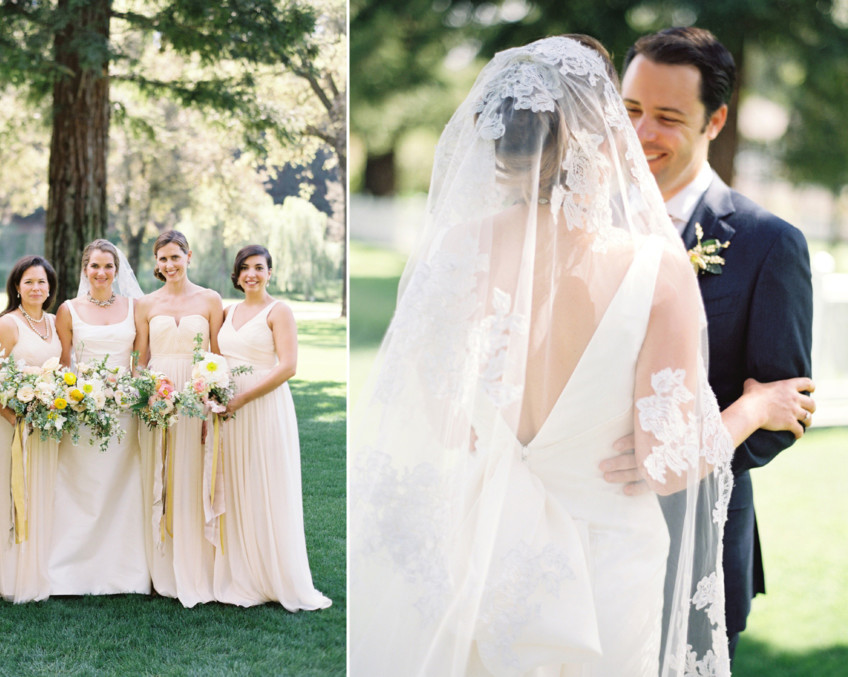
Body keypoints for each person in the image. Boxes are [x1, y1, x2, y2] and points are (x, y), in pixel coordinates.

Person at [350, 34, 753, 675]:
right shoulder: (654, 266)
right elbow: (667, 464)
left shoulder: (458, 246)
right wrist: (755, 409)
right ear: (600, 129)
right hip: (608, 554)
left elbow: (434, 417)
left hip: (486, 544)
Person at [615, 26, 814, 658]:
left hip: (698, 542)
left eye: (668, 118)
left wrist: (671, 458)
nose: (643, 134)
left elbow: (784, 410)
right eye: (630, 111)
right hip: (580, 527)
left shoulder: (767, 244)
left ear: (716, 119)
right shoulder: (583, 223)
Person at [213, 244, 331, 612]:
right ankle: (242, 570)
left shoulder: (279, 311)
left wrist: (243, 399)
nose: (252, 274)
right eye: (245, 268)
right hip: (229, 407)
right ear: (237, 274)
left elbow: (288, 366)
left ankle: (275, 574)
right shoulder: (227, 312)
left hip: (262, 406)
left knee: (266, 483)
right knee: (236, 485)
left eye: (259, 267)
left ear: (269, 272)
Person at [48, 239, 150, 595]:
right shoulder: (68, 310)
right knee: (80, 487)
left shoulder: (135, 307)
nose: (101, 273)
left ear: (117, 270)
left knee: (123, 489)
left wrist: (132, 393)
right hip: (82, 410)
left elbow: (141, 361)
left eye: (108, 266)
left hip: (124, 412)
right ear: (84, 269)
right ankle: (69, 573)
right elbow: (64, 364)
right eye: (94, 266)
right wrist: (80, 397)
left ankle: (126, 572)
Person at [133, 230, 223, 605]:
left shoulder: (210, 299)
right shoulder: (144, 304)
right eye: (162, 258)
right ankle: (162, 567)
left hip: (197, 395)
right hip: (160, 398)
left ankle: (198, 566)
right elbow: (139, 362)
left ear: (189, 256)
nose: (169, 265)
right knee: (162, 473)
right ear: (155, 263)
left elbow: (218, 356)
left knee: (193, 475)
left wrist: (210, 400)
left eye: (175, 257)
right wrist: (152, 390)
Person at [0, 255, 62, 602]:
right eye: (28, 281)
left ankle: (38, 568)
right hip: (10, 425)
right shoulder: (7, 325)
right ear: (17, 286)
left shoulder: (56, 322)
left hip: (45, 426)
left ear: (50, 288)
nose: (36, 288)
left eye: (41, 282)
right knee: (10, 491)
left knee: (40, 492)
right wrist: (12, 416)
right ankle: (7, 575)